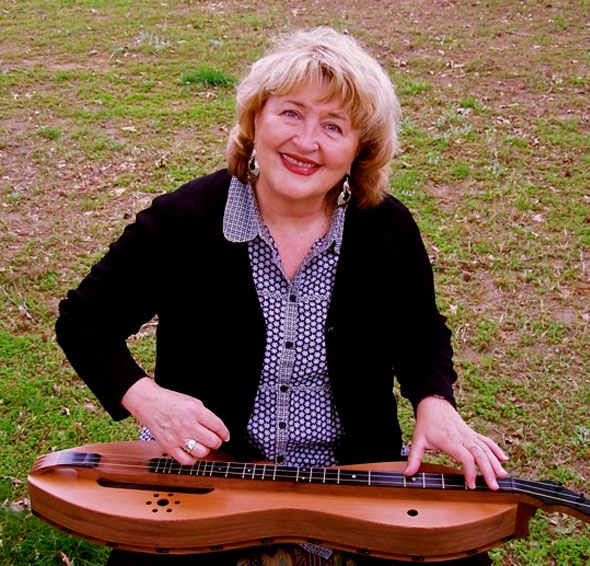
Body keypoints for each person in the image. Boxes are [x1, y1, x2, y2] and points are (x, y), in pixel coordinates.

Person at [56, 27, 508, 566]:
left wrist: (435, 401)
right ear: (255, 121)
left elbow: (420, 332)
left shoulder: (385, 228)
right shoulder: (185, 220)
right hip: (211, 483)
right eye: (290, 113)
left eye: (333, 126)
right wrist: (148, 399)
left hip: (355, 484)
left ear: (360, 150)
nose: (306, 141)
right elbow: (84, 321)